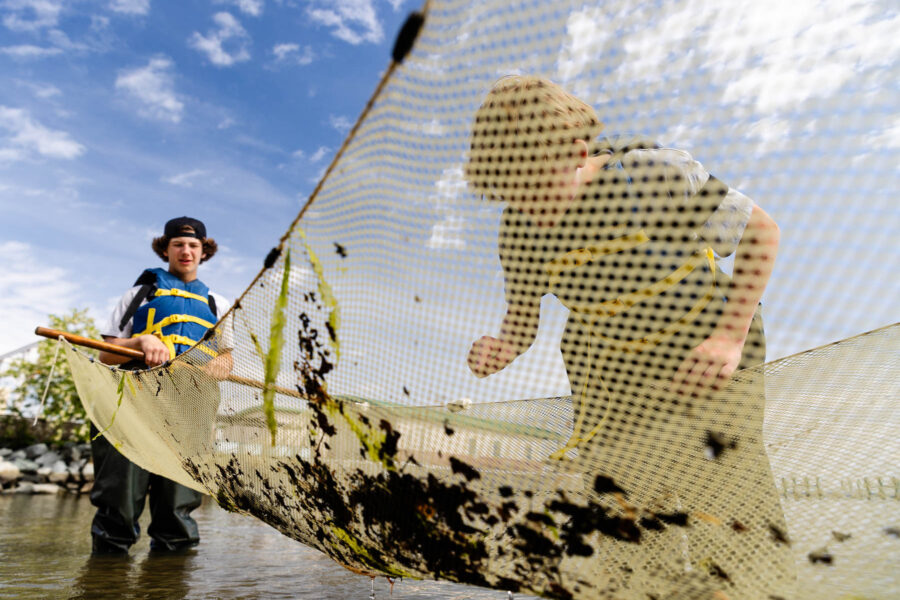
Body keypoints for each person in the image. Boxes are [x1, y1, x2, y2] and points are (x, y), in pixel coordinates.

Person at [463, 76, 793, 597]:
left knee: (728, 493)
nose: (529, 209)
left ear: (576, 152)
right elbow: (522, 320)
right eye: (512, 197)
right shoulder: (519, 235)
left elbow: (760, 232)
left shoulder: (653, 175)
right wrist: (502, 346)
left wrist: (729, 338)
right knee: (624, 505)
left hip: (706, 340)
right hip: (615, 367)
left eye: (535, 189)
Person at [91, 216, 233, 555]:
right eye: (178, 244)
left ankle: (168, 582)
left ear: (204, 251)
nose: (186, 251)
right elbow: (105, 356)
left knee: (177, 510)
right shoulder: (137, 294)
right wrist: (139, 342)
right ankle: (105, 579)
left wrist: (217, 365)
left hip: (188, 410)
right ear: (165, 249)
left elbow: (227, 361)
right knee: (119, 506)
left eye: (193, 245)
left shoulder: (219, 304)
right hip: (133, 405)